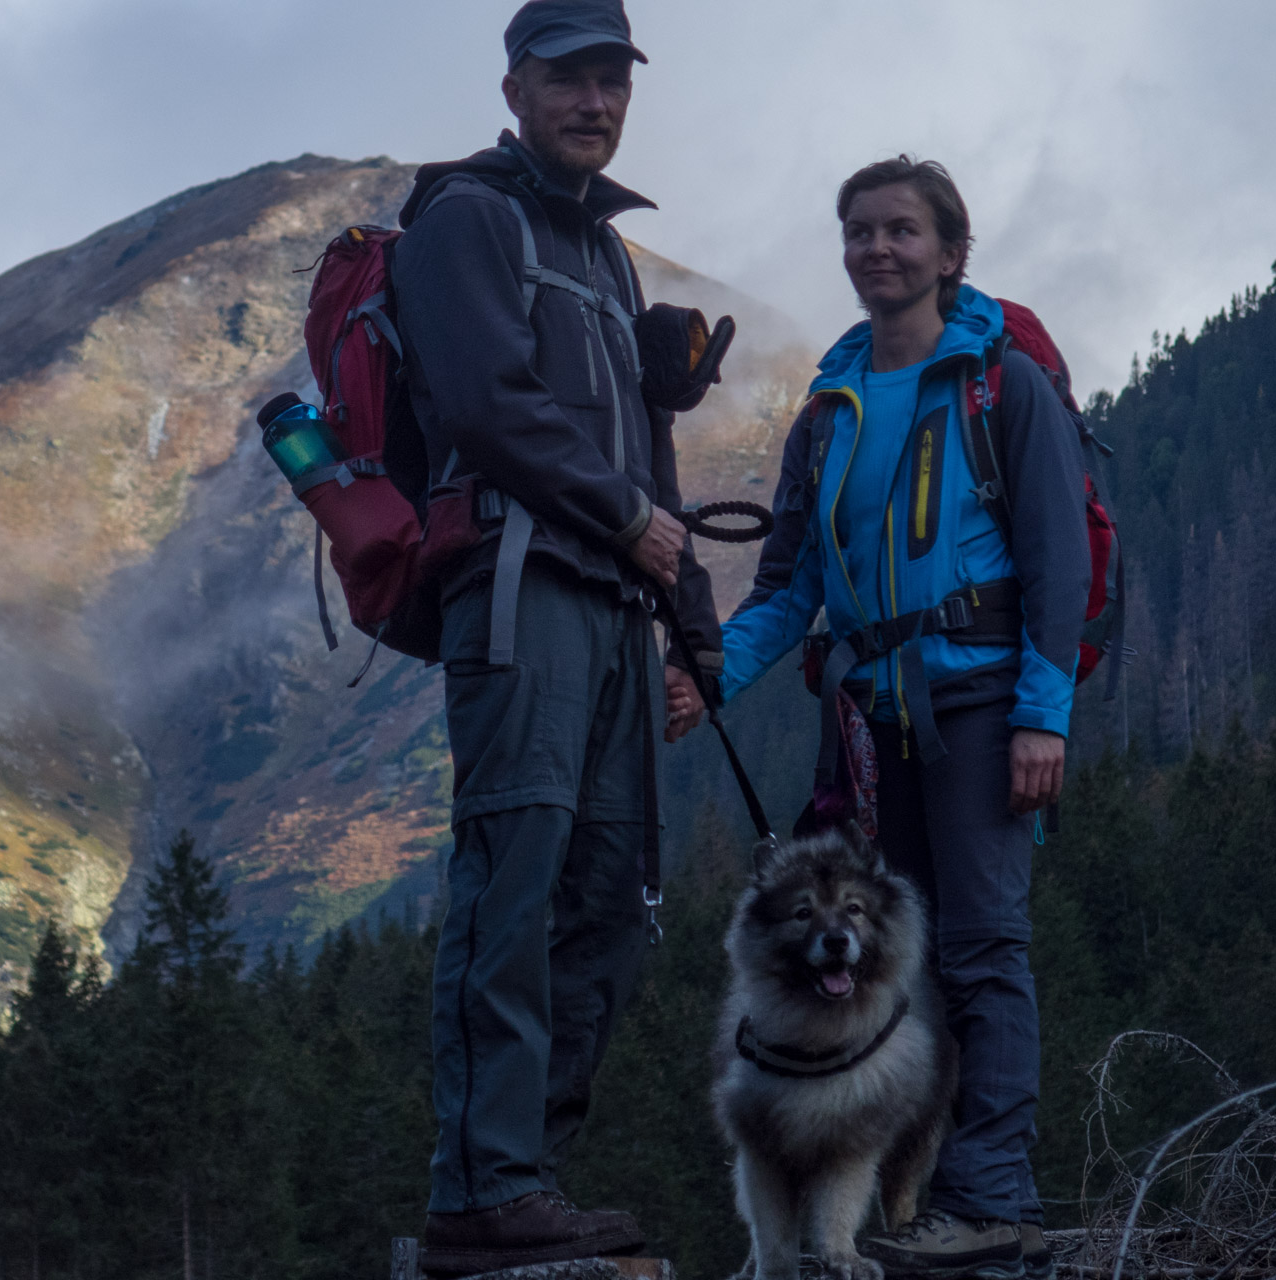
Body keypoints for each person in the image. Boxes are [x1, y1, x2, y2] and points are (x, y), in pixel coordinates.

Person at [695, 157, 1089, 1279]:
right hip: (868, 714)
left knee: (981, 947)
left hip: (977, 698)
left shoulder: (997, 382)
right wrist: (707, 682)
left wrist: (1041, 717)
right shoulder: (830, 409)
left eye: (902, 231)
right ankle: (912, 1203)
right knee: (895, 970)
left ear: (950, 251)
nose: (877, 248)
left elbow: (1057, 560)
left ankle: (993, 1196)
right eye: (859, 231)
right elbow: (786, 587)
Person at [390, 0, 723, 1272]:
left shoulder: (605, 255)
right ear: (517, 85)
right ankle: (480, 1186)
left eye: (612, 82)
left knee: (611, 902)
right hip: (522, 592)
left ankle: (525, 1179)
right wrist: (627, 519)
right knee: (512, 886)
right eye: (570, 79)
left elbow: (651, 443)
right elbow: (485, 405)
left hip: (618, 609)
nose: (596, 102)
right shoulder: (467, 218)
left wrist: (691, 628)